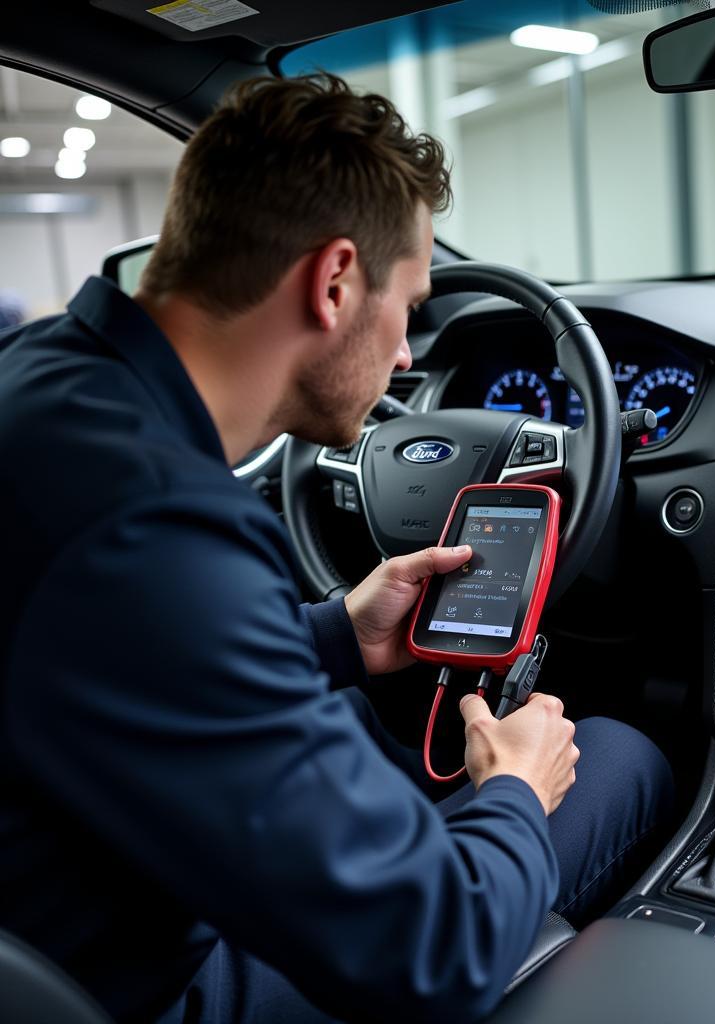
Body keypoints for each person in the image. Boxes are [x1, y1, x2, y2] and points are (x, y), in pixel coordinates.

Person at [0, 75, 673, 1024]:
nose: (407, 359)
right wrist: (517, 788)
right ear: (333, 282)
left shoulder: (40, 383)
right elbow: (436, 948)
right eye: (408, 308)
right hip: (147, 992)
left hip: (60, 919)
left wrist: (335, 637)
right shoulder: (158, 529)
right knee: (615, 754)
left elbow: (114, 663)